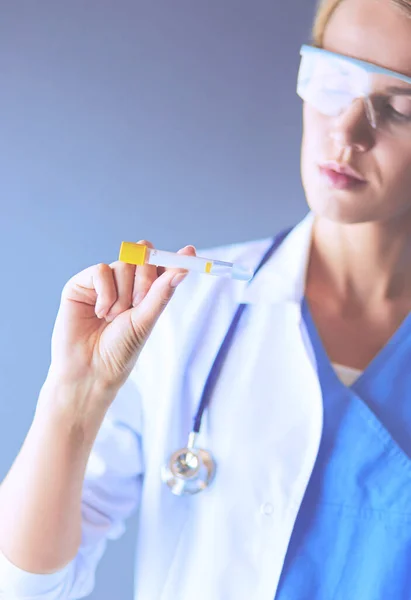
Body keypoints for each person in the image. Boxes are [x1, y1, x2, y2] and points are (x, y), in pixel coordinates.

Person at [2, 0, 411, 597]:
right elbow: (27, 588)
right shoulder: (188, 313)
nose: (346, 131)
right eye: (331, 82)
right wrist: (72, 399)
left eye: (399, 107)